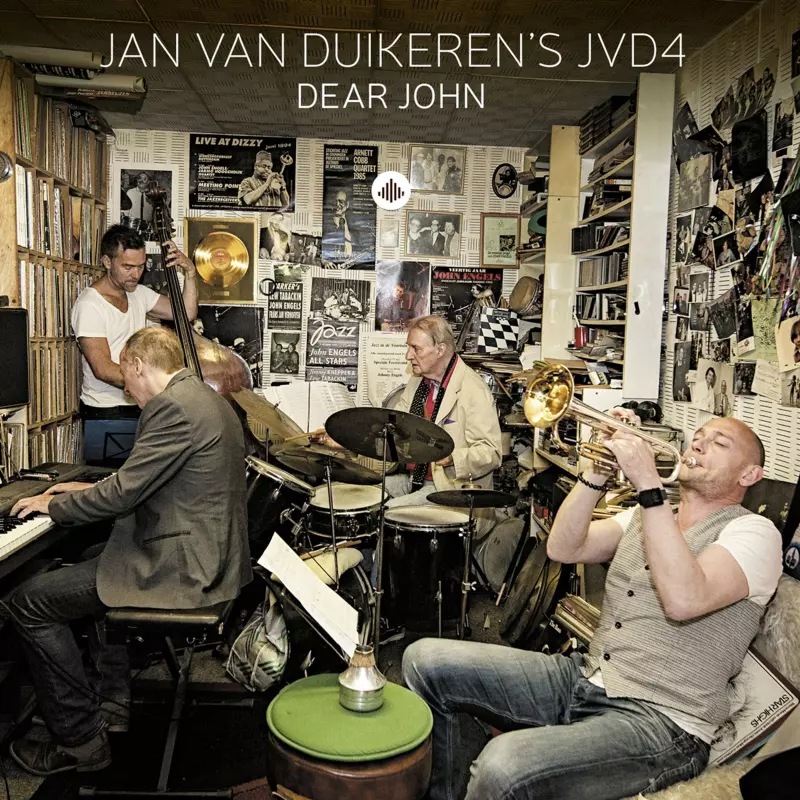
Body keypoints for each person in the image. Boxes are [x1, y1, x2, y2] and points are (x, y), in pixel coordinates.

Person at [404, 415, 782, 800]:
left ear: (749, 474)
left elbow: (684, 600)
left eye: (719, 443)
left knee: (501, 765)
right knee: (425, 661)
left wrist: (648, 483)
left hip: (663, 722)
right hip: (588, 675)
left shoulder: (754, 532)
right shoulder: (650, 515)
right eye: (698, 436)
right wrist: (596, 471)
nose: (698, 444)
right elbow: (563, 548)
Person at [6, 327, 252, 776]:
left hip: (185, 568)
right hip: (205, 551)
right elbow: (142, 480)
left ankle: (81, 739)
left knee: (29, 603)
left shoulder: (172, 407)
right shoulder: (203, 397)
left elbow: (123, 495)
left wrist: (51, 505)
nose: (127, 390)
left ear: (138, 364)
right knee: (92, 555)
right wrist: (84, 489)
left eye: (125, 378)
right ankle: (111, 702)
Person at [73, 225, 198, 462]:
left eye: (140, 266)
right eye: (128, 267)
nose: (136, 274)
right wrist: (155, 387)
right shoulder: (90, 304)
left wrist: (190, 272)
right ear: (107, 262)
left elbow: (187, 312)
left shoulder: (138, 293)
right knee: (109, 481)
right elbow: (103, 369)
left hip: (139, 405)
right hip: (106, 411)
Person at [382, 315, 502, 508]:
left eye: (416, 349)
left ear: (440, 350)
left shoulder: (474, 389)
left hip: (448, 487)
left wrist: (453, 458)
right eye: (408, 347)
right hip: (414, 478)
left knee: (388, 511)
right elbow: (396, 425)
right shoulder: (418, 381)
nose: (408, 355)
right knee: (369, 494)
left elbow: (492, 453)